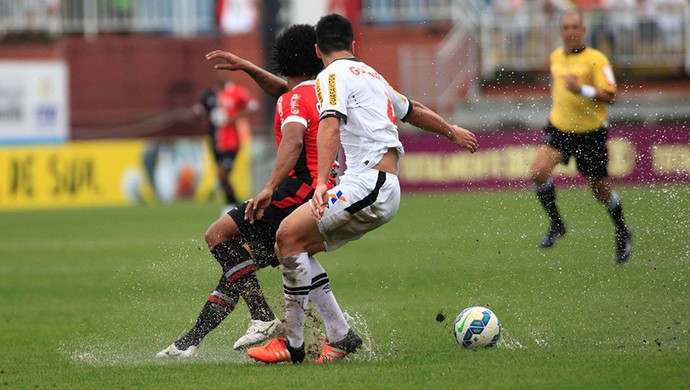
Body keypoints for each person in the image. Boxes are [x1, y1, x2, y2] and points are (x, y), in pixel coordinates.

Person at [246, 13, 478, 364]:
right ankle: (340, 335)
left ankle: (292, 345)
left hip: (371, 184)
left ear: (317, 50)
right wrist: (452, 130)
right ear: (353, 44)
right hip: (378, 184)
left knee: (287, 236)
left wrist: (322, 182)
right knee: (297, 246)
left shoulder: (330, 77)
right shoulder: (369, 73)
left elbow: (330, 125)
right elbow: (412, 110)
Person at [157, 24, 354, 358]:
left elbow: (291, 140)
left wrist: (268, 188)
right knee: (241, 265)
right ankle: (190, 341)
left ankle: (261, 317)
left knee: (219, 234)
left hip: (298, 190)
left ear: (283, 59)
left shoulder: (293, 99)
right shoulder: (321, 91)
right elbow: (282, 88)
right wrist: (248, 67)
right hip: (326, 191)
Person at [529, 9, 632, 264]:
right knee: (538, 172)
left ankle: (622, 231)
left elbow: (611, 95)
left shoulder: (597, 59)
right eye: (566, 27)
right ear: (561, 31)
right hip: (560, 129)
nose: (571, 32)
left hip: (591, 134)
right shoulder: (554, 57)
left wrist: (581, 89)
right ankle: (557, 223)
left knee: (600, 191)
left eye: (576, 27)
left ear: (583, 31)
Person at [193, 70, 259, 212]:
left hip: (232, 141)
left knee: (222, 172)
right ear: (215, 76)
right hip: (215, 141)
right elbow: (198, 110)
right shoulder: (209, 94)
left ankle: (231, 203)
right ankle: (234, 203)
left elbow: (253, 106)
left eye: (224, 73)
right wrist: (195, 113)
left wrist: (235, 117)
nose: (221, 76)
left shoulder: (237, 91)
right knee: (221, 174)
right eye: (218, 73)